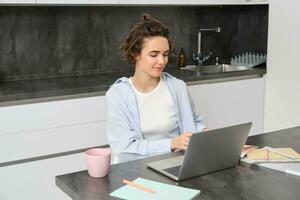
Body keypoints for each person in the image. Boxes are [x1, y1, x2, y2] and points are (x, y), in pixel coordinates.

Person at [106, 14, 206, 163]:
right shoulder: (118, 94)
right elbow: (123, 147)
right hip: (135, 169)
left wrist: (206, 133)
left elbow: (194, 122)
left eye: (165, 55)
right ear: (135, 54)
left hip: (176, 165)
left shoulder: (178, 87)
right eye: (154, 54)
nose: (162, 61)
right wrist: (171, 144)